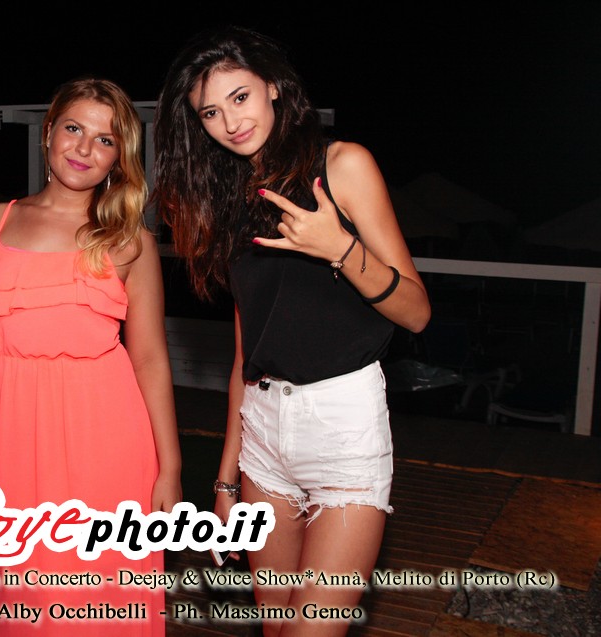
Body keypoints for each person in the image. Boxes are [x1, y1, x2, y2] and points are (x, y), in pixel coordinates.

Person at [153, 27, 431, 636]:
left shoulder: (343, 165)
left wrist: (339, 248)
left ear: (273, 88)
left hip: (343, 423)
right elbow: (245, 357)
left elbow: (416, 311)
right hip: (262, 434)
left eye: (240, 97)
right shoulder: (230, 199)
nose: (231, 122)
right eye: (210, 112)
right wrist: (225, 481)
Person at [0, 78, 181, 636]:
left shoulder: (130, 240)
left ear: (119, 157)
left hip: (108, 442)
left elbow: (150, 359)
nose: (84, 148)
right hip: (13, 438)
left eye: (105, 140)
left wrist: (170, 469)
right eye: (74, 128)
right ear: (48, 132)